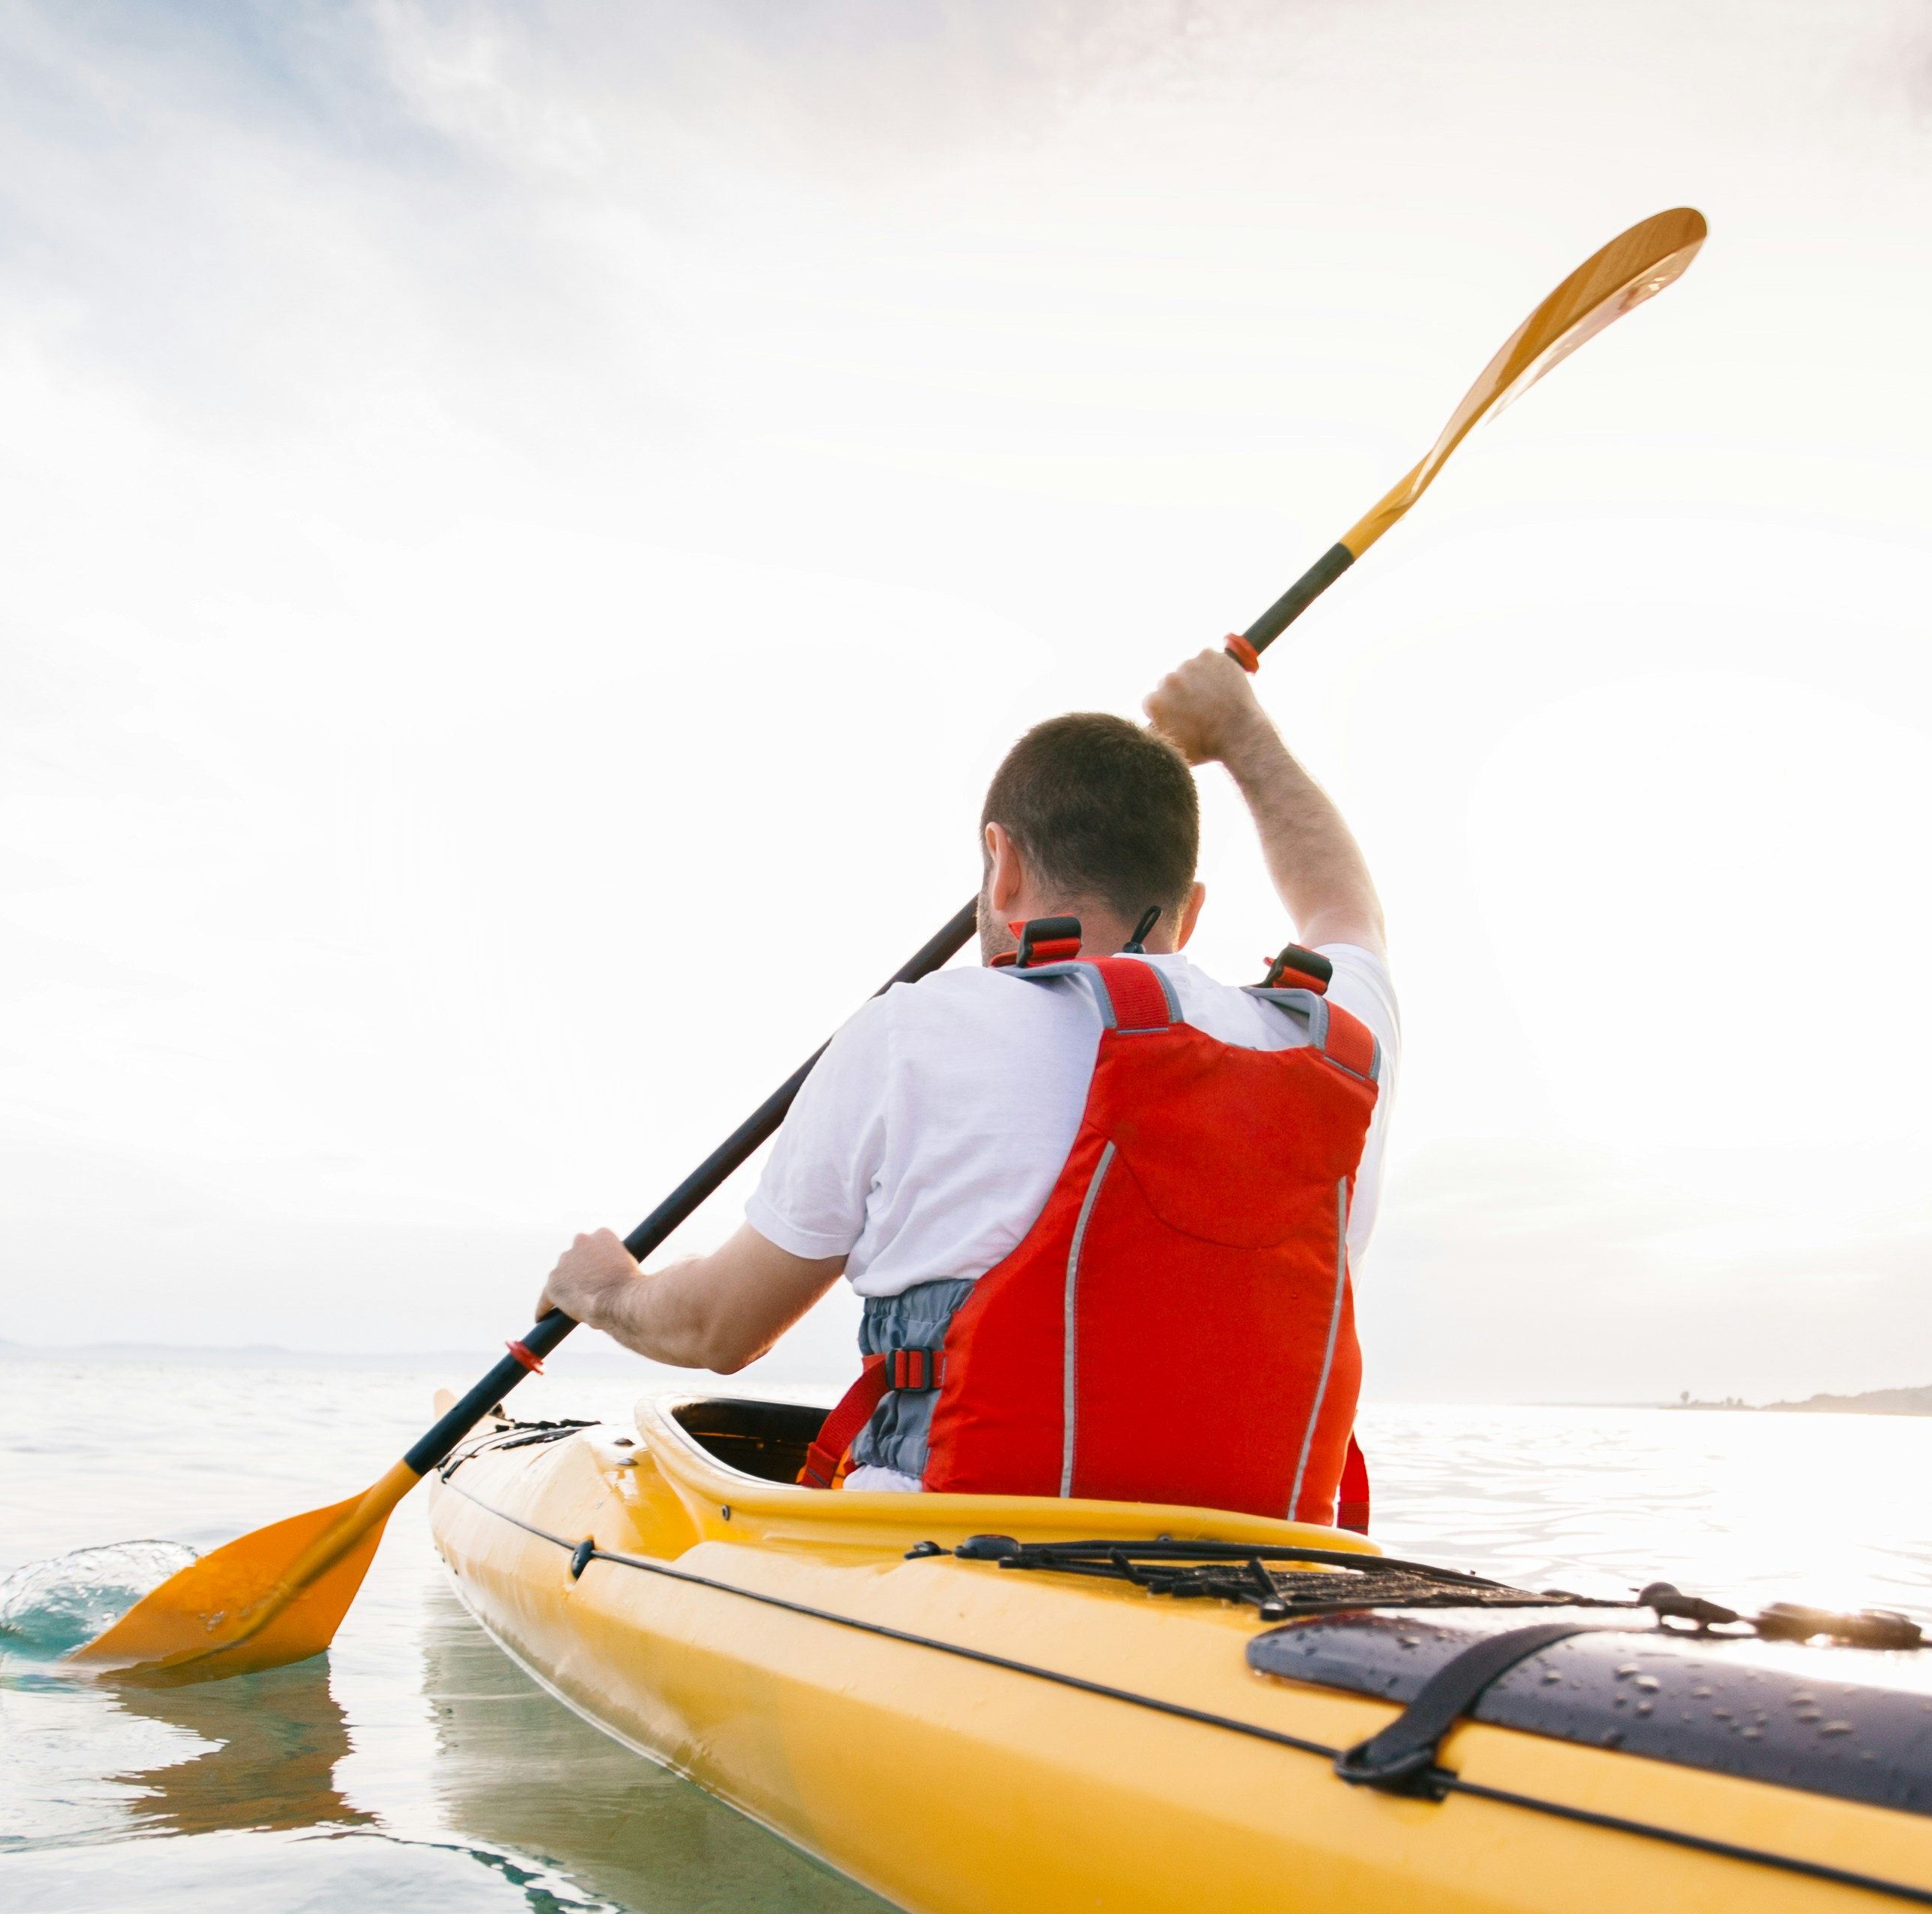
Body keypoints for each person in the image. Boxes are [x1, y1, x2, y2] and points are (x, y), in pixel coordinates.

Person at [535, 645, 1399, 1525]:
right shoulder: (1331, 1045)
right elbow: (1345, 909)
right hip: (1260, 1570)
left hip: (950, 1557)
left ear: (1004, 863)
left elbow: (717, 1329)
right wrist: (1240, 731)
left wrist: (606, 1289)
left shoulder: (911, 1030)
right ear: (1194, 907)